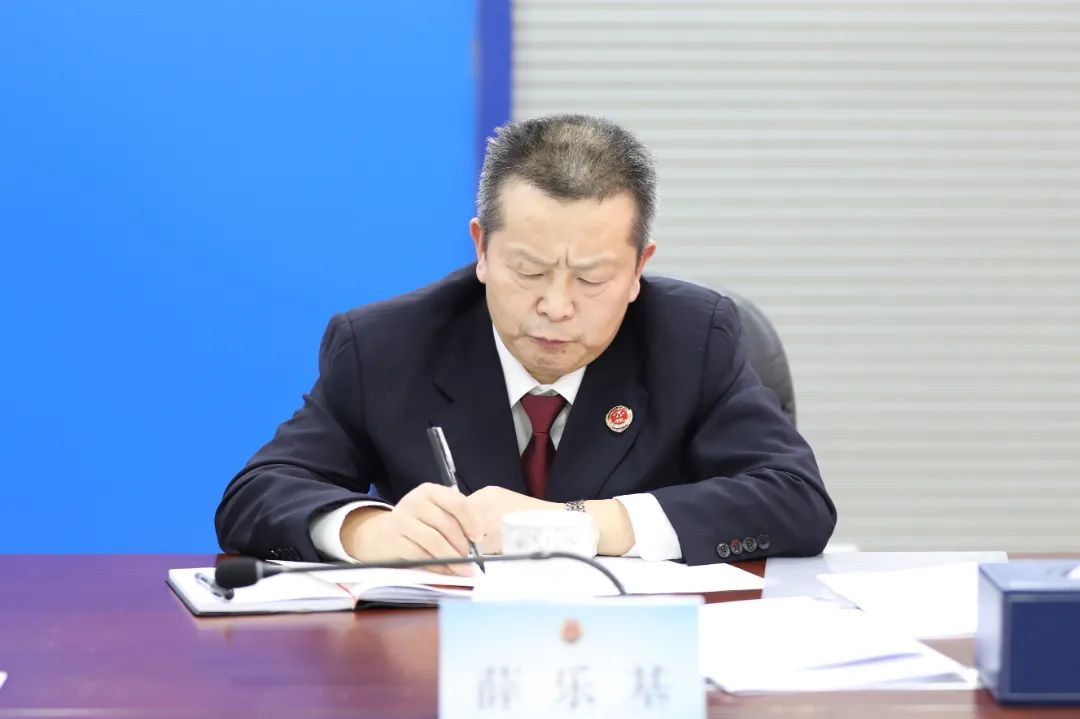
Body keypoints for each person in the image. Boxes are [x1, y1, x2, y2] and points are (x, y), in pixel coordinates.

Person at [215, 114, 836, 573]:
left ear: (638, 269)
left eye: (592, 278)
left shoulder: (692, 337)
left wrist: (580, 525)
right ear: (481, 249)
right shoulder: (385, 346)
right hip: (442, 661)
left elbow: (797, 500)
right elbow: (256, 496)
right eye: (529, 271)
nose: (556, 306)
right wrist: (368, 531)